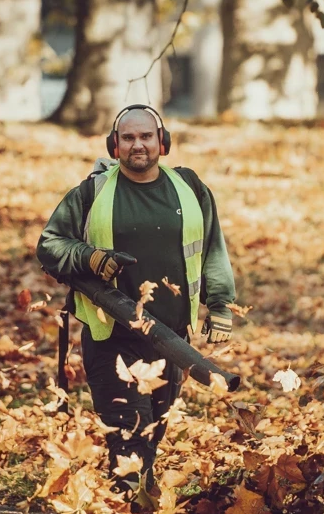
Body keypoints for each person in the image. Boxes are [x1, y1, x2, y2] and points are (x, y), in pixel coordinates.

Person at [36, 104, 236, 493]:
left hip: (172, 338)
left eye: (146, 136)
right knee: (128, 433)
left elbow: (212, 247)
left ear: (162, 142)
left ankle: (136, 507)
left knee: (154, 428)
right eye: (128, 138)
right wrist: (91, 258)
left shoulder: (190, 187)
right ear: (114, 145)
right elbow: (49, 245)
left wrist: (221, 304)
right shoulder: (92, 191)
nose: (137, 145)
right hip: (113, 336)